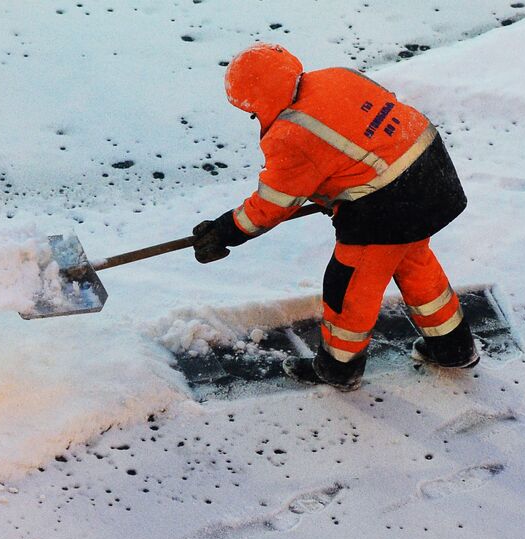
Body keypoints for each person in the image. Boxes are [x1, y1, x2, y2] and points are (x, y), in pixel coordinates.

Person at [192, 43, 477, 391]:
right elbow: (363, 133)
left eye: (251, 110)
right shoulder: (337, 76)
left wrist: (226, 231)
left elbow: (273, 204)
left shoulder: (291, 134)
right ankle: (454, 347)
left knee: (351, 287)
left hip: (387, 206)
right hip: (431, 169)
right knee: (413, 262)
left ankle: (338, 369)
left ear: (260, 99)